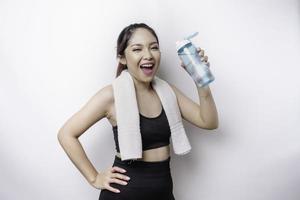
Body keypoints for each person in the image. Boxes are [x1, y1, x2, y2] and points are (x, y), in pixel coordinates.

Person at [57, 23, 218, 200]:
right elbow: (66, 134)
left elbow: (208, 121)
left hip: (163, 193)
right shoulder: (111, 95)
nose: (148, 55)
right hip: (125, 193)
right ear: (122, 58)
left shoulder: (167, 92)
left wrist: (200, 78)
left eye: (154, 48)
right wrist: (94, 178)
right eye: (137, 49)